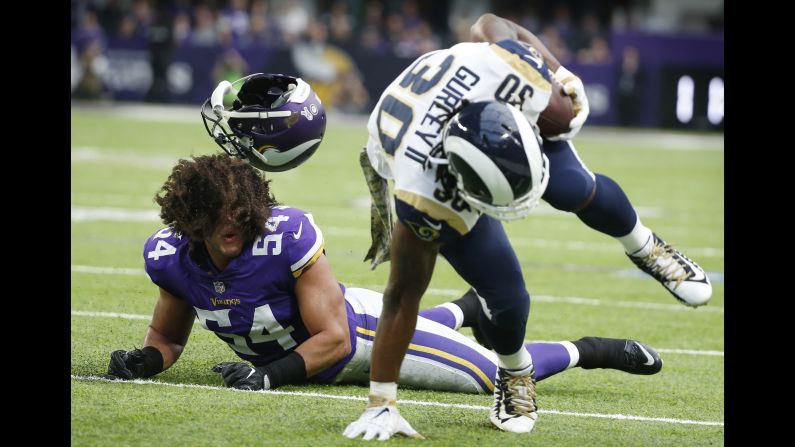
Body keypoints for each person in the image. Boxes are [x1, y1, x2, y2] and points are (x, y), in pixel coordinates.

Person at [344, 13, 710, 439]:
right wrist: (381, 400)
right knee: (506, 292)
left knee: (574, 186)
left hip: (483, 100)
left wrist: (558, 71)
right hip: (421, 147)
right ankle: (515, 373)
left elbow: (491, 23)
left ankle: (647, 247)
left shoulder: (512, 75)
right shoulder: (423, 192)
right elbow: (402, 295)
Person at [104, 153, 663, 413]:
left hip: (361, 339)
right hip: (328, 331)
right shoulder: (172, 257)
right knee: (415, 321)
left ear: (253, 209)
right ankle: (463, 309)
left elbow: (337, 341)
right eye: (214, 215)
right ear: (190, 218)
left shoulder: (285, 235)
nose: (230, 226)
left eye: (237, 213)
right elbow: (169, 338)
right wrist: (145, 361)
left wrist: (266, 376)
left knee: (491, 375)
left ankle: (587, 350)